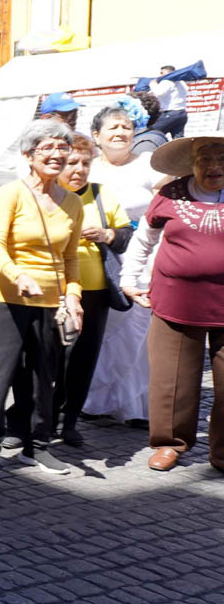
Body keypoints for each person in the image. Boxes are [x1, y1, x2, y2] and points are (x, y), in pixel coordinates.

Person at [0, 120, 84, 482]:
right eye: (47, 147)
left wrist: (74, 297)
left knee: (41, 379)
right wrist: (19, 276)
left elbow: (71, 258)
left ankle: (38, 444)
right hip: (3, 299)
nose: (56, 154)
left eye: (63, 148)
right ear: (28, 155)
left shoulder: (74, 202)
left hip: (49, 302)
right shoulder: (11, 193)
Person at [122, 136, 224, 471]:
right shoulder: (171, 193)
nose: (214, 166)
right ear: (192, 162)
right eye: (205, 158)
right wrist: (128, 279)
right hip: (174, 300)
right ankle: (170, 443)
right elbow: (144, 238)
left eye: (222, 157)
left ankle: (222, 453)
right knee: (172, 378)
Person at [42, 136, 130, 447]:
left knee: (83, 358)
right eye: (72, 163)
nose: (79, 170)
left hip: (94, 293)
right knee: (51, 358)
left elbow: (126, 233)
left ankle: (70, 422)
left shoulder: (101, 194)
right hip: (53, 291)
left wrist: (107, 234)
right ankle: (45, 418)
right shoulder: (48, 195)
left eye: (86, 163)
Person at [85, 103, 166, 425]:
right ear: (96, 135)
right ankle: (96, 401)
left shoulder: (148, 165)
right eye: (113, 128)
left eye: (126, 128)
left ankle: (139, 406)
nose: (121, 133)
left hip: (145, 256)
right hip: (101, 257)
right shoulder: (88, 168)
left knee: (139, 331)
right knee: (103, 330)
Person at [151, 65, 190, 139]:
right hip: (182, 113)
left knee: (153, 134)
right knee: (178, 140)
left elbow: (159, 92)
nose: (160, 75)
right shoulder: (181, 82)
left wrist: (153, 83)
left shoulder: (166, 81)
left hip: (170, 113)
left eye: (161, 72)